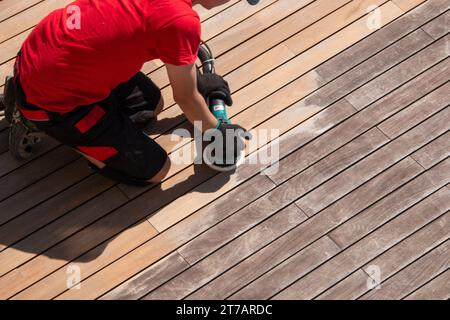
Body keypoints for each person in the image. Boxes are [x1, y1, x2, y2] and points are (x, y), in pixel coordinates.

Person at [11, 0, 246, 185]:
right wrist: (217, 131)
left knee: (151, 106)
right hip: (50, 99)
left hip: (44, 49)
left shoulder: (177, 19)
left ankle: (98, 122)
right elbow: (185, 98)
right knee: (155, 170)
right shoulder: (183, 22)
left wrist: (197, 85)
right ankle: (35, 121)